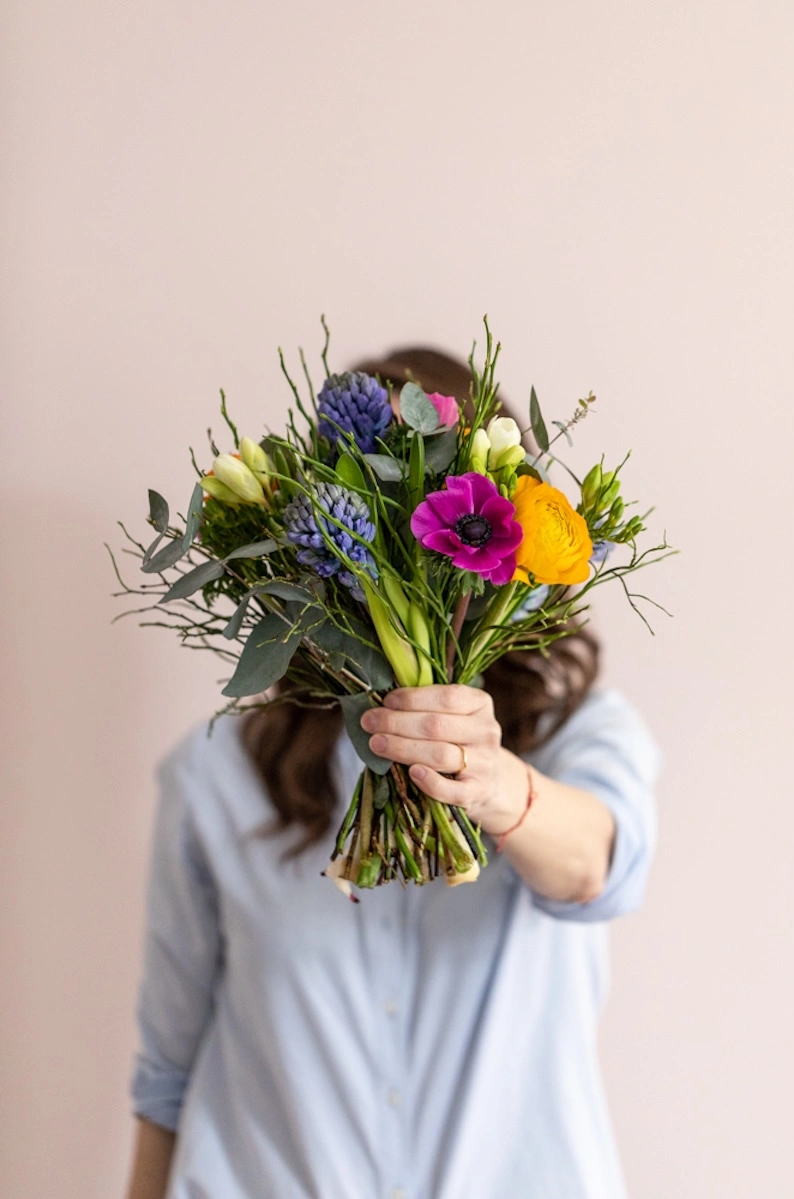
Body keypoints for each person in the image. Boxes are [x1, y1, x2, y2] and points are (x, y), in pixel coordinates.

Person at [124, 348, 661, 1199]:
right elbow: (168, 1068)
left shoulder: (579, 733)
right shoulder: (216, 771)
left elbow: (602, 866)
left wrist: (491, 783)